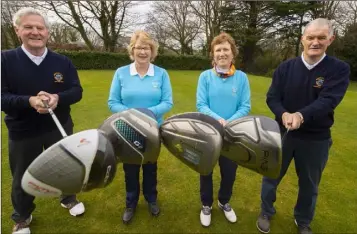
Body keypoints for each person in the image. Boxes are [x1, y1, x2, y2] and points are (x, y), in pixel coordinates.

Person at [256, 18, 350, 234]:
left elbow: (328, 100)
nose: (315, 42)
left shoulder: (339, 69)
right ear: (303, 39)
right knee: (271, 176)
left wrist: (301, 115)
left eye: (321, 37)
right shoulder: (285, 68)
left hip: (316, 139)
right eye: (310, 37)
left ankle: (303, 220)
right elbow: (272, 98)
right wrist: (284, 114)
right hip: (281, 134)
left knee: (309, 185)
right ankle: (265, 211)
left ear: (330, 40)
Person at [1, 7, 86, 234]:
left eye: (40, 27)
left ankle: (68, 198)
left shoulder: (62, 62)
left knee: (66, 167)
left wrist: (58, 97)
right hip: (23, 130)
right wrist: (29, 101)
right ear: (17, 30)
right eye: (28, 27)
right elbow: (2, 97)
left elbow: (77, 91)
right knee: (23, 174)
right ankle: (22, 216)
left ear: (47, 32)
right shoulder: (5, 60)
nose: (35, 32)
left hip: (58, 127)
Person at [108, 30, 173, 224]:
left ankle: (151, 199)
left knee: (150, 167)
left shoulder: (161, 74)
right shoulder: (121, 73)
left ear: (152, 51)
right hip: (127, 130)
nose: (142, 52)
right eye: (139, 48)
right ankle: (131, 203)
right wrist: (132, 117)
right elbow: (113, 102)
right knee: (130, 168)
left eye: (146, 48)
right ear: (132, 50)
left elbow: (167, 102)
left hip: (153, 129)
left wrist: (146, 115)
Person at [196, 32, 251, 227]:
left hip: (232, 134)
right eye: (218, 50)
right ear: (213, 54)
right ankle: (206, 205)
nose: (222, 53)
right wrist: (218, 119)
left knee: (229, 173)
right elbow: (201, 104)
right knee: (206, 171)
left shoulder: (242, 78)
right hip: (208, 133)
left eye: (225, 49)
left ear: (232, 53)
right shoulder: (205, 77)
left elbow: (245, 106)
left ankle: (224, 201)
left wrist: (228, 122)